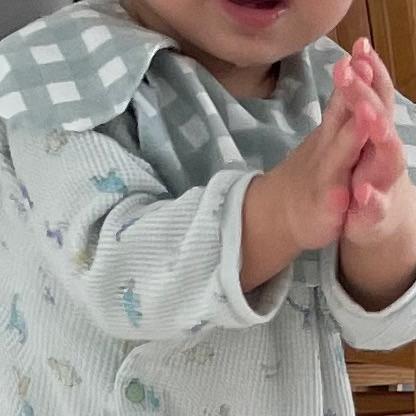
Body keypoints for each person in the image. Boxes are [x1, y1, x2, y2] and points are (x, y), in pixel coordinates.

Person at [0, 0, 415, 414]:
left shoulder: (344, 93)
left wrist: (383, 231)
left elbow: (378, 329)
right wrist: (281, 214)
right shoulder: (63, 72)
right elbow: (116, 275)